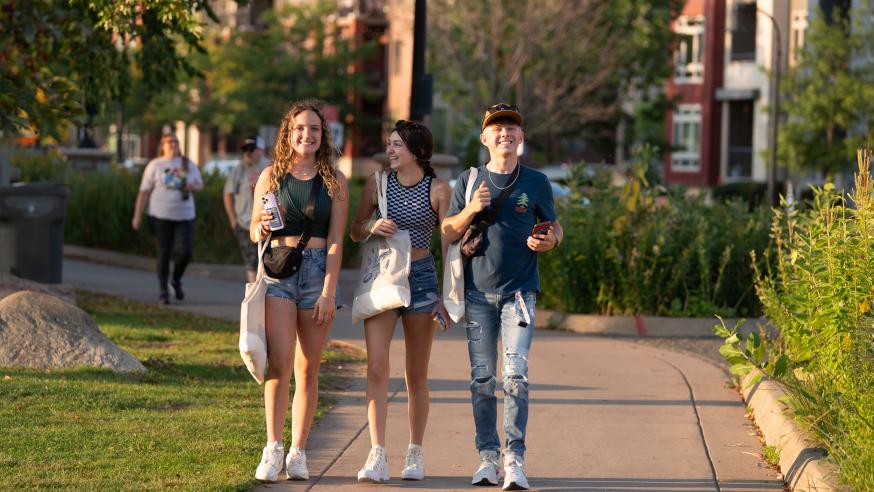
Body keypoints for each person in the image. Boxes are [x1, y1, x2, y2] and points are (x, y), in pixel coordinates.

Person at [441, 103, 562, 491]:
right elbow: (447, 231)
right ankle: (487, 458)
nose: (504, 133)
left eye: (511, 128)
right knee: (482, 379)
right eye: (496, 128)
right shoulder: (469, 180)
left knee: (515, 375)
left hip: (521, 294)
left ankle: (514, 459)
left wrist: (549, 242)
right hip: (477, 295)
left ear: (521, 137)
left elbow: (555, 229)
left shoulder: (537, 182)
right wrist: (472, 209)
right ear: (485, 138)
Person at [250, 100, 348, 482]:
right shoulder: (271, 175)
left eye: (314, 129)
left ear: (324, 136)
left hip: (317, 273)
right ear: (288, 135)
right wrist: (257, 228)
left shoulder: (335, 181)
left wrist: (329, 290)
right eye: (300, 129)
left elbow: (338, 239)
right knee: (280, 364)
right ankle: (273, 448)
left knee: (308, 368)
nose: (307, 135)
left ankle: (298, 452)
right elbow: (255, 224)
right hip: (278, 270)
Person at [349, 120, 452, 483]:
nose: (390, 150)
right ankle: (377, 454)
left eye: (397, 145)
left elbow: (448, 244)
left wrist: (446, 296)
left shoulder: (439, 189)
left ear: (418, 151)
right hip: (384, 274)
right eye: (390, 144)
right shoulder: (378, 184)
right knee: (376, 368)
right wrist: (371, 227)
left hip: (423, 280)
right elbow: (354, 229)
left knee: (416, 374)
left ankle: (415, 453)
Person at [132, 133, 204, 305]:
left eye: (176, 142)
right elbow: (144, 191)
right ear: (162, 146)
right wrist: (137, 215)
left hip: (185, 215)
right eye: (169, 142)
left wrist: (192, 186)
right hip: (160, 216)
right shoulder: (155, 165)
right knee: (163, 252)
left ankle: (176, 279)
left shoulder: (187, 163)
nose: (173, 145)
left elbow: (200, 185)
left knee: (185, 252)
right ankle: (163, 291)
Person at [223, 135, 268, 283]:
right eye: (246, 150)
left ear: (261, 150)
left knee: (267, 260)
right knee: (250, 260)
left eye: (252, 149)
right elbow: (228, 193)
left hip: (267, 222)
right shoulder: (239, 169)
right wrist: (233, 220)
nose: (248, 153)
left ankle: (266, 294)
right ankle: (253, 295)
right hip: (244, 223)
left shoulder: (269, 167)